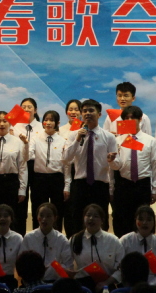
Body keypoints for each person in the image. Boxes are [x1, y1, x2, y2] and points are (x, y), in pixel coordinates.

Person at [64, 99, 117, 232]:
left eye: (91, 110)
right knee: (78, 222)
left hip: (100, 186)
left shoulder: (109, 137)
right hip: (80, 185)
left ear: (99, 114)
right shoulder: (73, 135)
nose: (87, 113)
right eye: (85, 111)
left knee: (101, 222)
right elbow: (66, 159)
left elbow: (116, 166)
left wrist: (112, 161)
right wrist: (77, 139)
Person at [108, 106, 156, 238]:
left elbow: (155, 165)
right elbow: (116, 167)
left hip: (142, 185)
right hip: (123, 185)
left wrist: (154, 190)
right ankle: (121, 247)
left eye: (133, 118)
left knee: (142, 220)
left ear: (140, 119)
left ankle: (143, 247)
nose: (129, 120)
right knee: (121, 220)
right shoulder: (118, 140)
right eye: (126, 118)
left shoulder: (150, 141)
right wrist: (111, 161)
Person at [0, 111, 28, 234]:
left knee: (11, 216)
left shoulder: (17, 141)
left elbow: (22, 167)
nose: (2, 124)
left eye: (5, 121)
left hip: (11, 182)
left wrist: (22, 189)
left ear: (10, 123)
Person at [29, 110, 69, 233]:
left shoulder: (63, 141)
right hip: (39, 178)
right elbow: (28, 156)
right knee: (38, 210)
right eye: (46, 120)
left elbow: (66, 165)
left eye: (51, 120)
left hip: (57, 178)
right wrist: (25, 144)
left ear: (57, 123)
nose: (48, 122)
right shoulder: (35, 139)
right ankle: (36, 236)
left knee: (58, 211)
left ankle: (57, 237)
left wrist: (67, 185)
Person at [69, 204, 123, 293]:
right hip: (82, 284)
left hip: (107, 283)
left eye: (95, 216)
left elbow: (121, 268)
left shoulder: (113, 240)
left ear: (102, 220)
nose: (91, 218)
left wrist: (106, 282)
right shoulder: (74, 239)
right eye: (88, 215)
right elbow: (68, 263)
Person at [114, 206, 156, 287]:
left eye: (149, 220)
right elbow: (118, 267)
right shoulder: (124, 241)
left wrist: (149, 286)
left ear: (154, 222)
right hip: (128, 286)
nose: (144, 223)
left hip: (152, 287)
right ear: (135, 221)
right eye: (141, 219)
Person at [21, 203, 73, 283]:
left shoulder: (62, 239)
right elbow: (22, 263)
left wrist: (57, 269)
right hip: (33, 281)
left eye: (48, 216)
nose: (44, 219)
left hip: (56, 282)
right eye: (41, 215)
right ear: (37, 217)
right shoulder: (29, 238)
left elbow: (68, 265)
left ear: (55, 218)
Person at [13, 97, 43, 235]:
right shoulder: (14, 127)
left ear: (35, 110)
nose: (26, 109)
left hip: (37, 166)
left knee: (37, 201)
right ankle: (19, 235)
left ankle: (38, 234)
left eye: (29, 107)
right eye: (23, 107)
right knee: (20, 202)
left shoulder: (42, 127)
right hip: (20, 166)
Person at [61, 99, 81, 238]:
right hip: (64, 171)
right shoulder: (61, 130)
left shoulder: (85, 128)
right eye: (70, 109)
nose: (73, 112)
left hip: (79, 169)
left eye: (76, 109)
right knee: (67, 209)